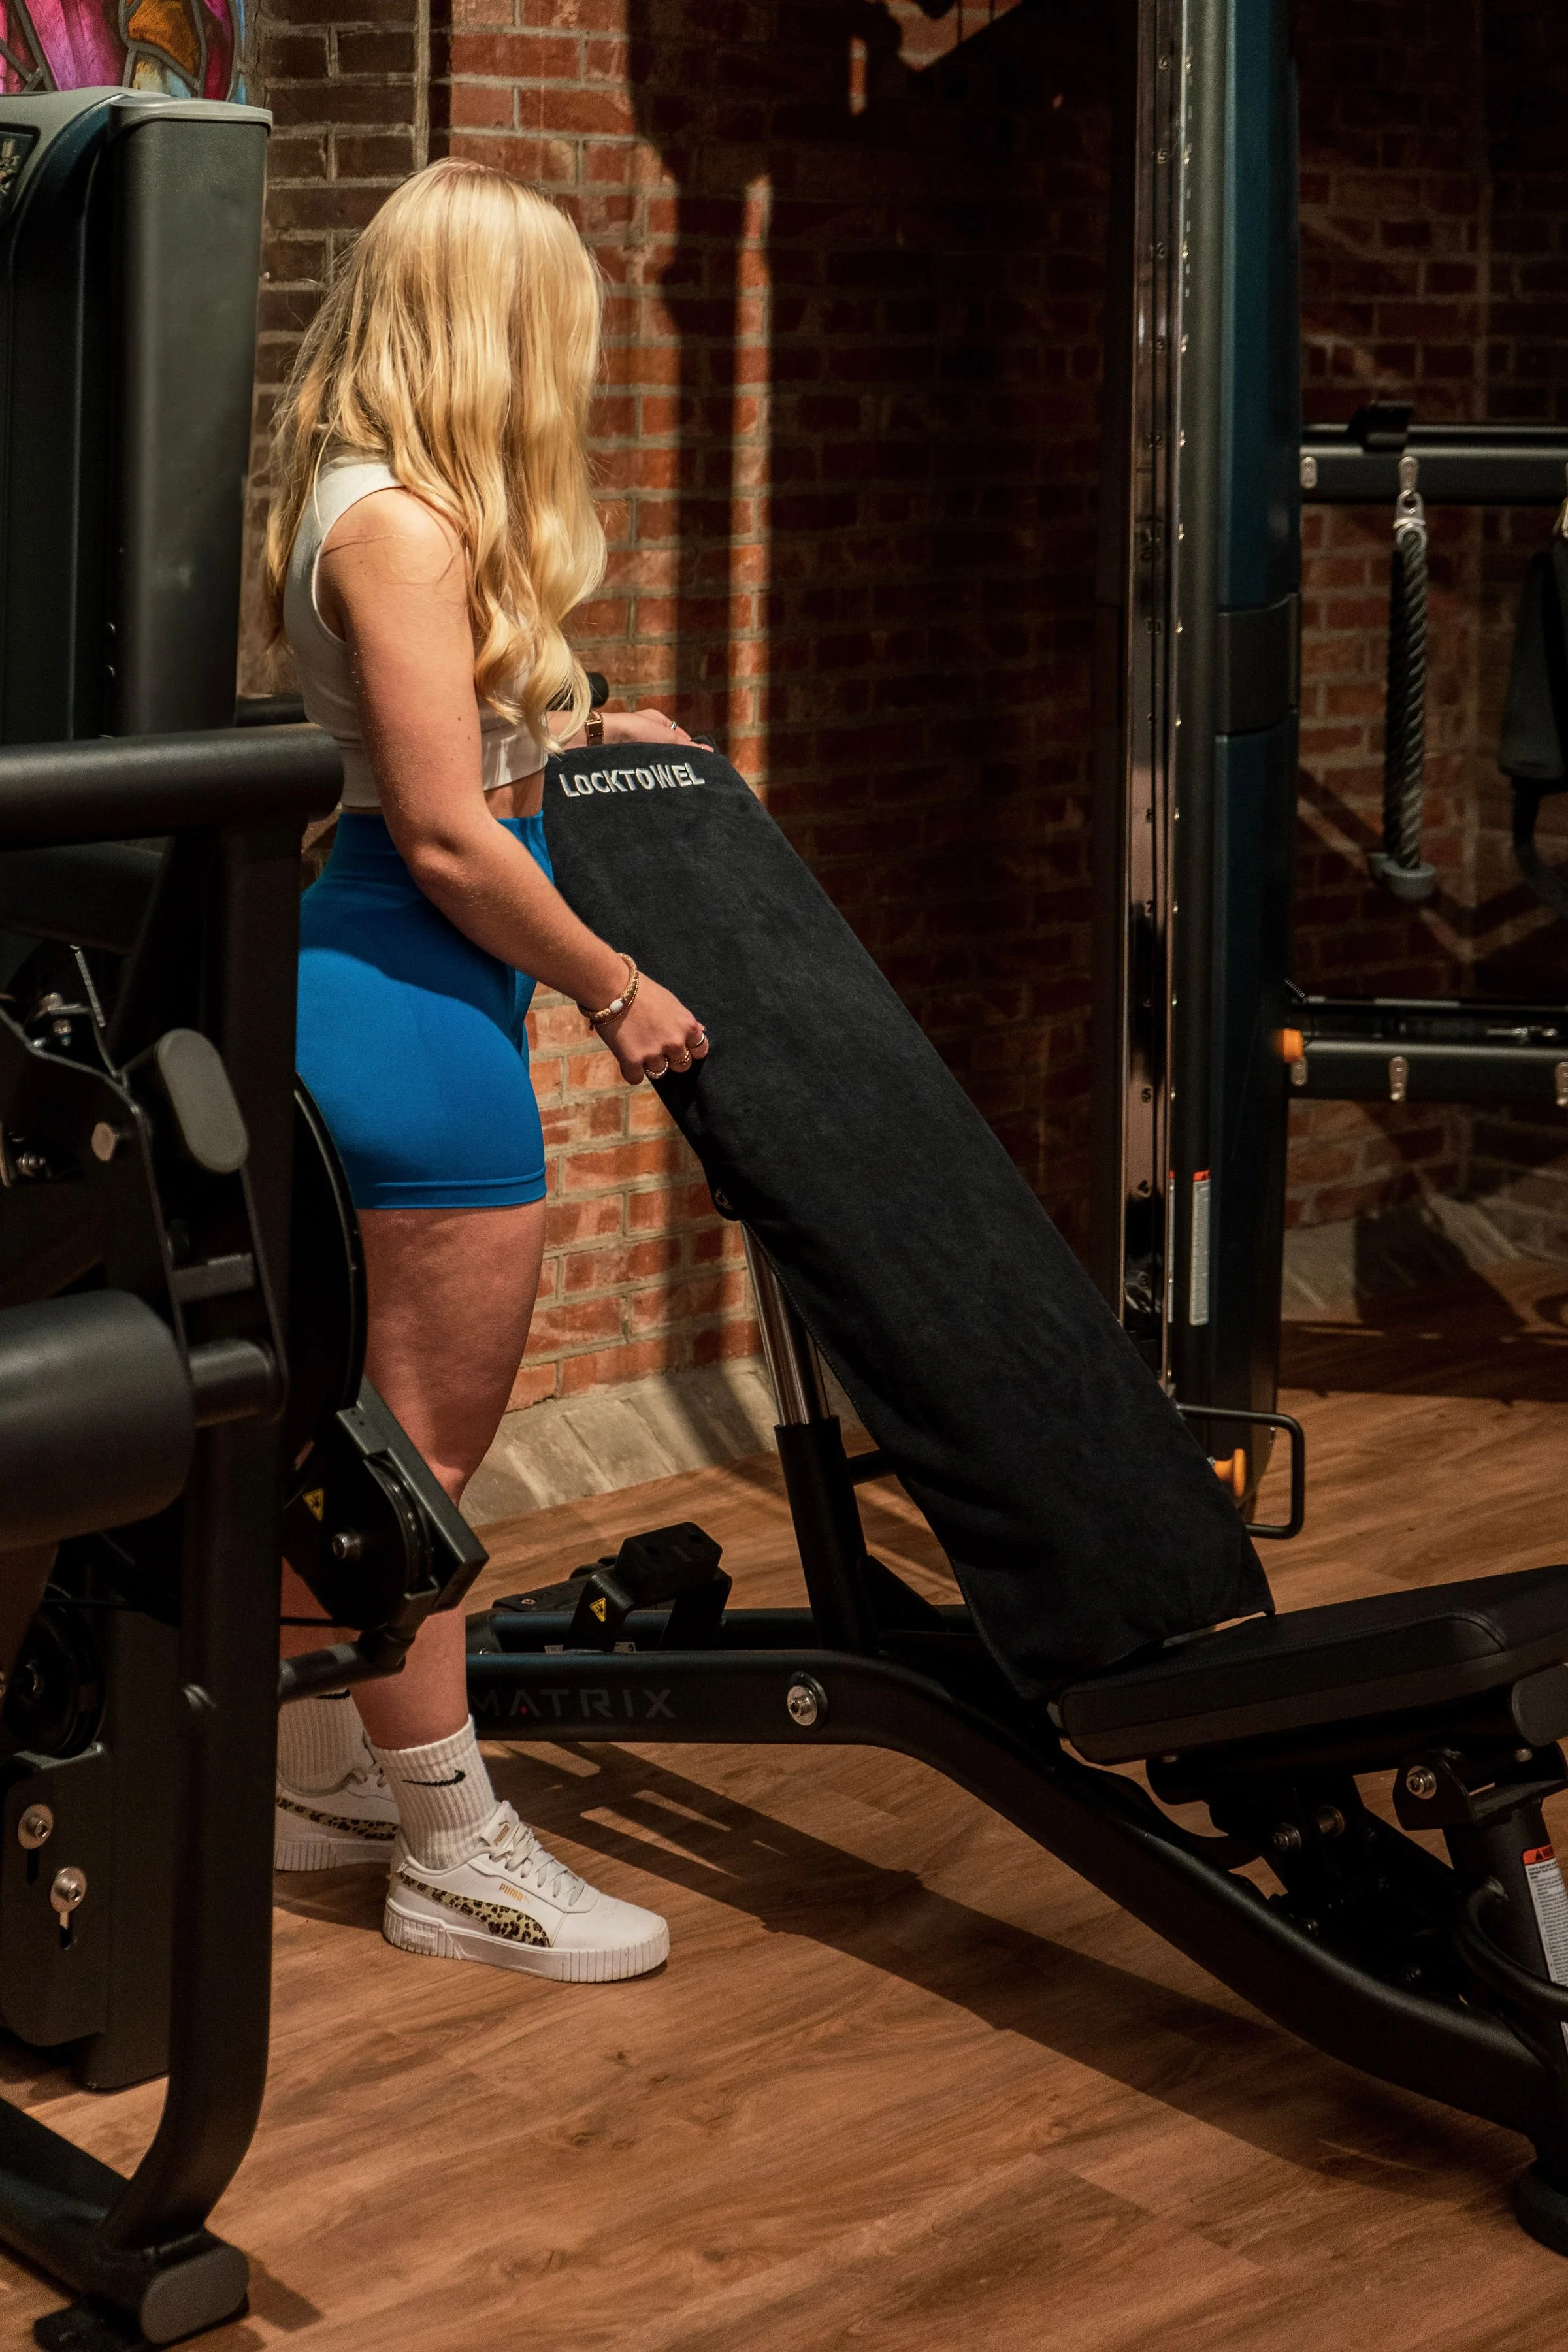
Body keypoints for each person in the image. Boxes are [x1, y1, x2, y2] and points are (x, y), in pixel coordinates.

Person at [261, 158, 708, 1982]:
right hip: (409, 999)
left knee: (359, 1448)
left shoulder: (388, 509)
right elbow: (445, 833)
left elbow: (445, 742)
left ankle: (309, 1772)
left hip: (403, 982)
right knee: (415, 1475)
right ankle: (458, 1856)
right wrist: (617, 987)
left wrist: (597, 725)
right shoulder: (402, 528)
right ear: (502, 330)